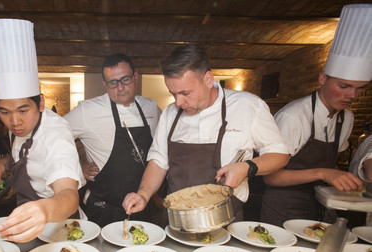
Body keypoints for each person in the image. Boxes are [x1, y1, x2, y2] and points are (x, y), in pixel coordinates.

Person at [122, 44, 289, 222]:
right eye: (173, 93)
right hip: (177, 219)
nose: (178, 102)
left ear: (208, 79)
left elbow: (280, 155)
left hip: (225, 218)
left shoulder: (248, 106)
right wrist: (143, 194)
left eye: (185, 93)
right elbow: (158, 162)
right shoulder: (170, 114)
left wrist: (247, 167)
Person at [261, 4, 371, 226]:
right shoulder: (294, 116)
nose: (352, 95)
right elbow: (271, 176)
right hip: (283, 208)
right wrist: (324, 173)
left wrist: (342, 181)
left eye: (361, 88)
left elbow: (333, 167)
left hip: (319, 207)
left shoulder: (346, 118)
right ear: (323, 78)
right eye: (344, 86)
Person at [0, 18, 85, 243]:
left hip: (58, 225)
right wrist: (1, 164)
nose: (14, 121)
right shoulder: (21, 125)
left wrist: (44, 211)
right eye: (4, 112)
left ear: (41, 103)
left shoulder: (56, 135)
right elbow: (21, 154)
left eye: (23, 110)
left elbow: (69, 194)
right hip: (28, 219)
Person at [63, 53, 161, 227]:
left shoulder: (150, 106)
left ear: (135, 77)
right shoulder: (88, 111)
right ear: (105, 84)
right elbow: (55, 135)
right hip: (104, 208)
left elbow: (163, 146)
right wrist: (77, 167)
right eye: (113, 83)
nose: (120, 87)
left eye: (125, 79)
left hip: (142, 204)